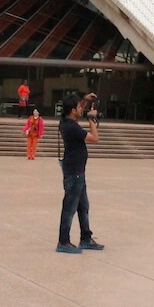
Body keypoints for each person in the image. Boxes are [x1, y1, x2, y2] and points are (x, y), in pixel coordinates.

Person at [56, 92, 103, 254]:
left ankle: (86, 237)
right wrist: (91, 119)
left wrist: (84, 99)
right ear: (73, 111)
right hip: (74, 173)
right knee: (69, 207)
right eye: (78, 107)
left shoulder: (65, 121)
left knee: (83, 206)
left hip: (77, 171)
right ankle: (63, 241)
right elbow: (95, 138)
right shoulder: (72, 128)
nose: (81, 108)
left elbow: (78, 108)